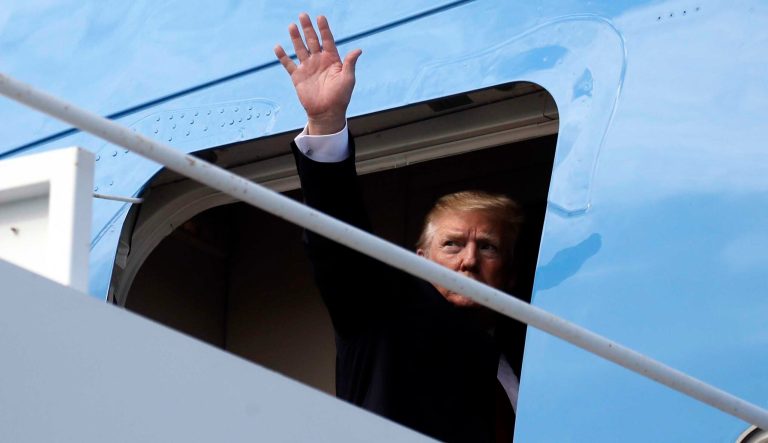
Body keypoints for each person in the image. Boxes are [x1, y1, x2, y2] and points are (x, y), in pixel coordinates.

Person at [275, 13, 523, 442]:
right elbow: (338, 247)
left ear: (510, 273)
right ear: (421, 260)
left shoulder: (525, 364)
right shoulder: (382, 313)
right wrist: (327, 125)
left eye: (488, 248)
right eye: (452, 244)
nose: (468, 260)